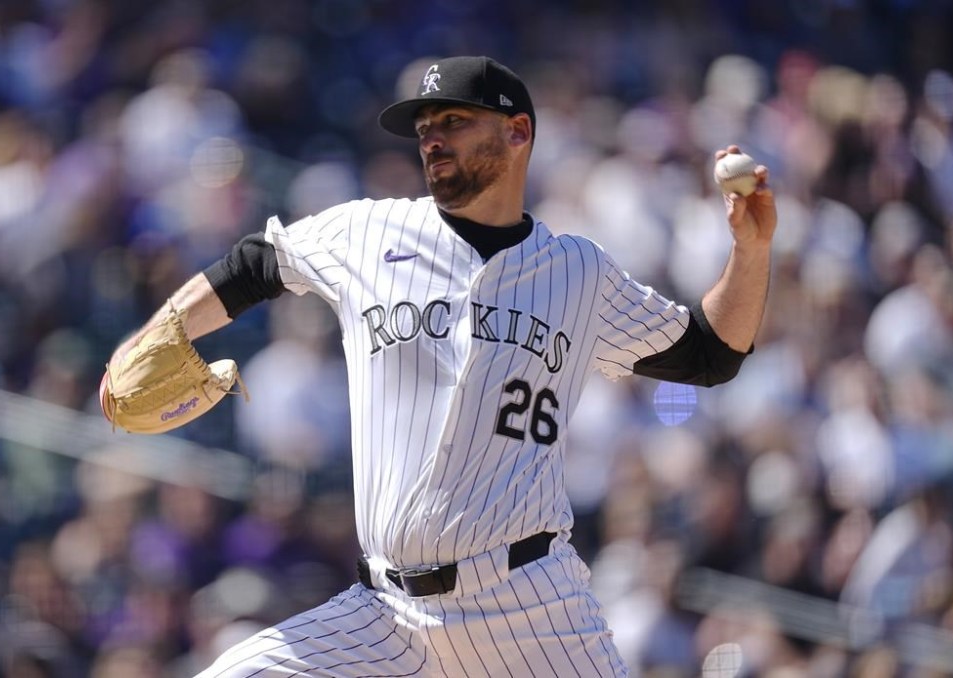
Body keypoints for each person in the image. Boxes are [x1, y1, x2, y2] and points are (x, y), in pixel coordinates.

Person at [105, 55, 776, 677]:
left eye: (453, 121)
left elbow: (711, 355)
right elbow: (257, 263)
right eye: (424, 126)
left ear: (518, 132)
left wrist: (750, 251)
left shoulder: (578, 272)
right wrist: (158, 333)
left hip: (530, 608)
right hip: (385, 614)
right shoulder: (369, 231)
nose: (431, 138)